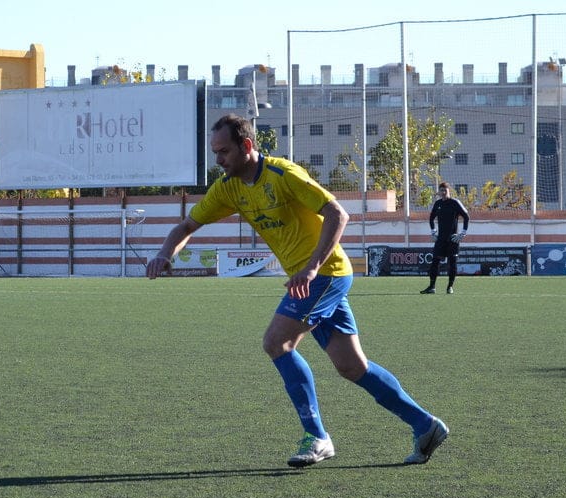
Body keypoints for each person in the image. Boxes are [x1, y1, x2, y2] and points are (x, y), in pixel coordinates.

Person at [146, 114, 448, 467]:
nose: (218, 160)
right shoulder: (229, 187)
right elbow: (186, 225)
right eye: (215, 152)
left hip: (325, 275)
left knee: (277, 342)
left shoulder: (284, 175)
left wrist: (311, 266)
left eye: (224, 151)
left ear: (246, 146)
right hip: (310, 280)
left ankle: (317, 436)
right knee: (352, 367)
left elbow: (337, 214)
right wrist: (164, 254)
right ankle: (425, 424)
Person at [421, 182, 470, 294]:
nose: (443, 193)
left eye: (445, 190)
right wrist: (433, 232)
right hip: (441, 239)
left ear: (449, 191)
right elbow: (431, 218)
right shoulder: (438, 203)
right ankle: (432, 287)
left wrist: (462, 233)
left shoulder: (455, 203)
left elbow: (466, 217)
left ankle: (450, 287)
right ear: (439, 192)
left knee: (452, 263)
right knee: (434, 262)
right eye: (441, 190)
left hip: (453, 239)